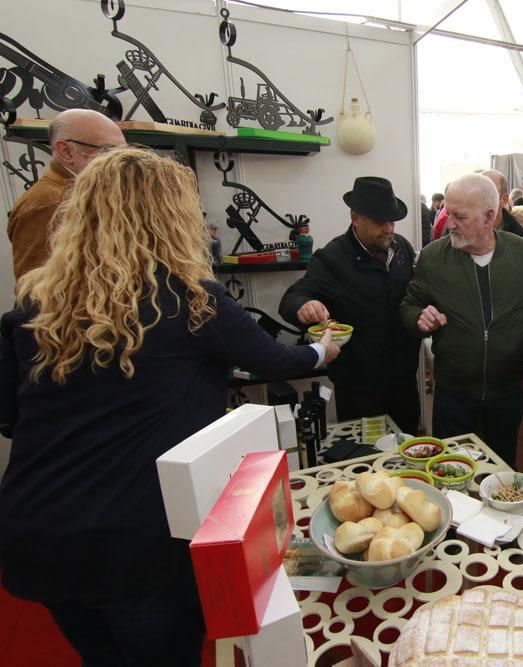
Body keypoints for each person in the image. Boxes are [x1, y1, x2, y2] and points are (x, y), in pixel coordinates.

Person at [0, 148, 340, 666]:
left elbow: (9, 415)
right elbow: (274, 360)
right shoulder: (190, 299)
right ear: (171, 217)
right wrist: (323, 349)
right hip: (136, 540)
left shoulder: (33, 305)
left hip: (37, 529)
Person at [400, 173, 523, 466]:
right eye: (447, 212)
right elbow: (409, 304)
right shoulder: (433, 258)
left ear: (489, 217)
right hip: (453, 393)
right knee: (451, 471)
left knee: (501, 470)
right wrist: (419, 316)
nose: (449, 223)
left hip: (508, 392)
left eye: (459, 216)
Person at [279, 176, 421, 433]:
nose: (389, 228)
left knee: (408, 451)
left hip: (404, 382)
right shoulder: (333, 258)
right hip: (359, 388)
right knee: (365, 458)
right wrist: (305, 304)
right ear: (356, 218)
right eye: (380, 221)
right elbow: (292, 297)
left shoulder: (403, 249)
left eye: (392, 221)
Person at [6, 108, 125, 281]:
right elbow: (36, 290)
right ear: (66, 151)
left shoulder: (82, 194)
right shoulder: (48, 204)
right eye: (108, 151)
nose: (120, 162)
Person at [481, 169, 523, 253]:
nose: (480, 199)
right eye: (477, 193)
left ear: (504, 200)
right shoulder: (464, 235)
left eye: (489, 193)